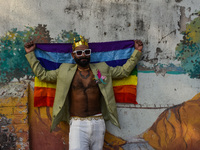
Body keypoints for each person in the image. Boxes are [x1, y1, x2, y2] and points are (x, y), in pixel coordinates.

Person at [24, 36, 143, 150]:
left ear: (90, 53)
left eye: (87, 52)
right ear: (73, 55)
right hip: (77, 124)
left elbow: (123, 72)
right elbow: (43, 75)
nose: (83, 55)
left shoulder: (102, 69)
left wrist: (137, 52)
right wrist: (30, 54)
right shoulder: (64, 70)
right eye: (79, 53)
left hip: (98, 122)